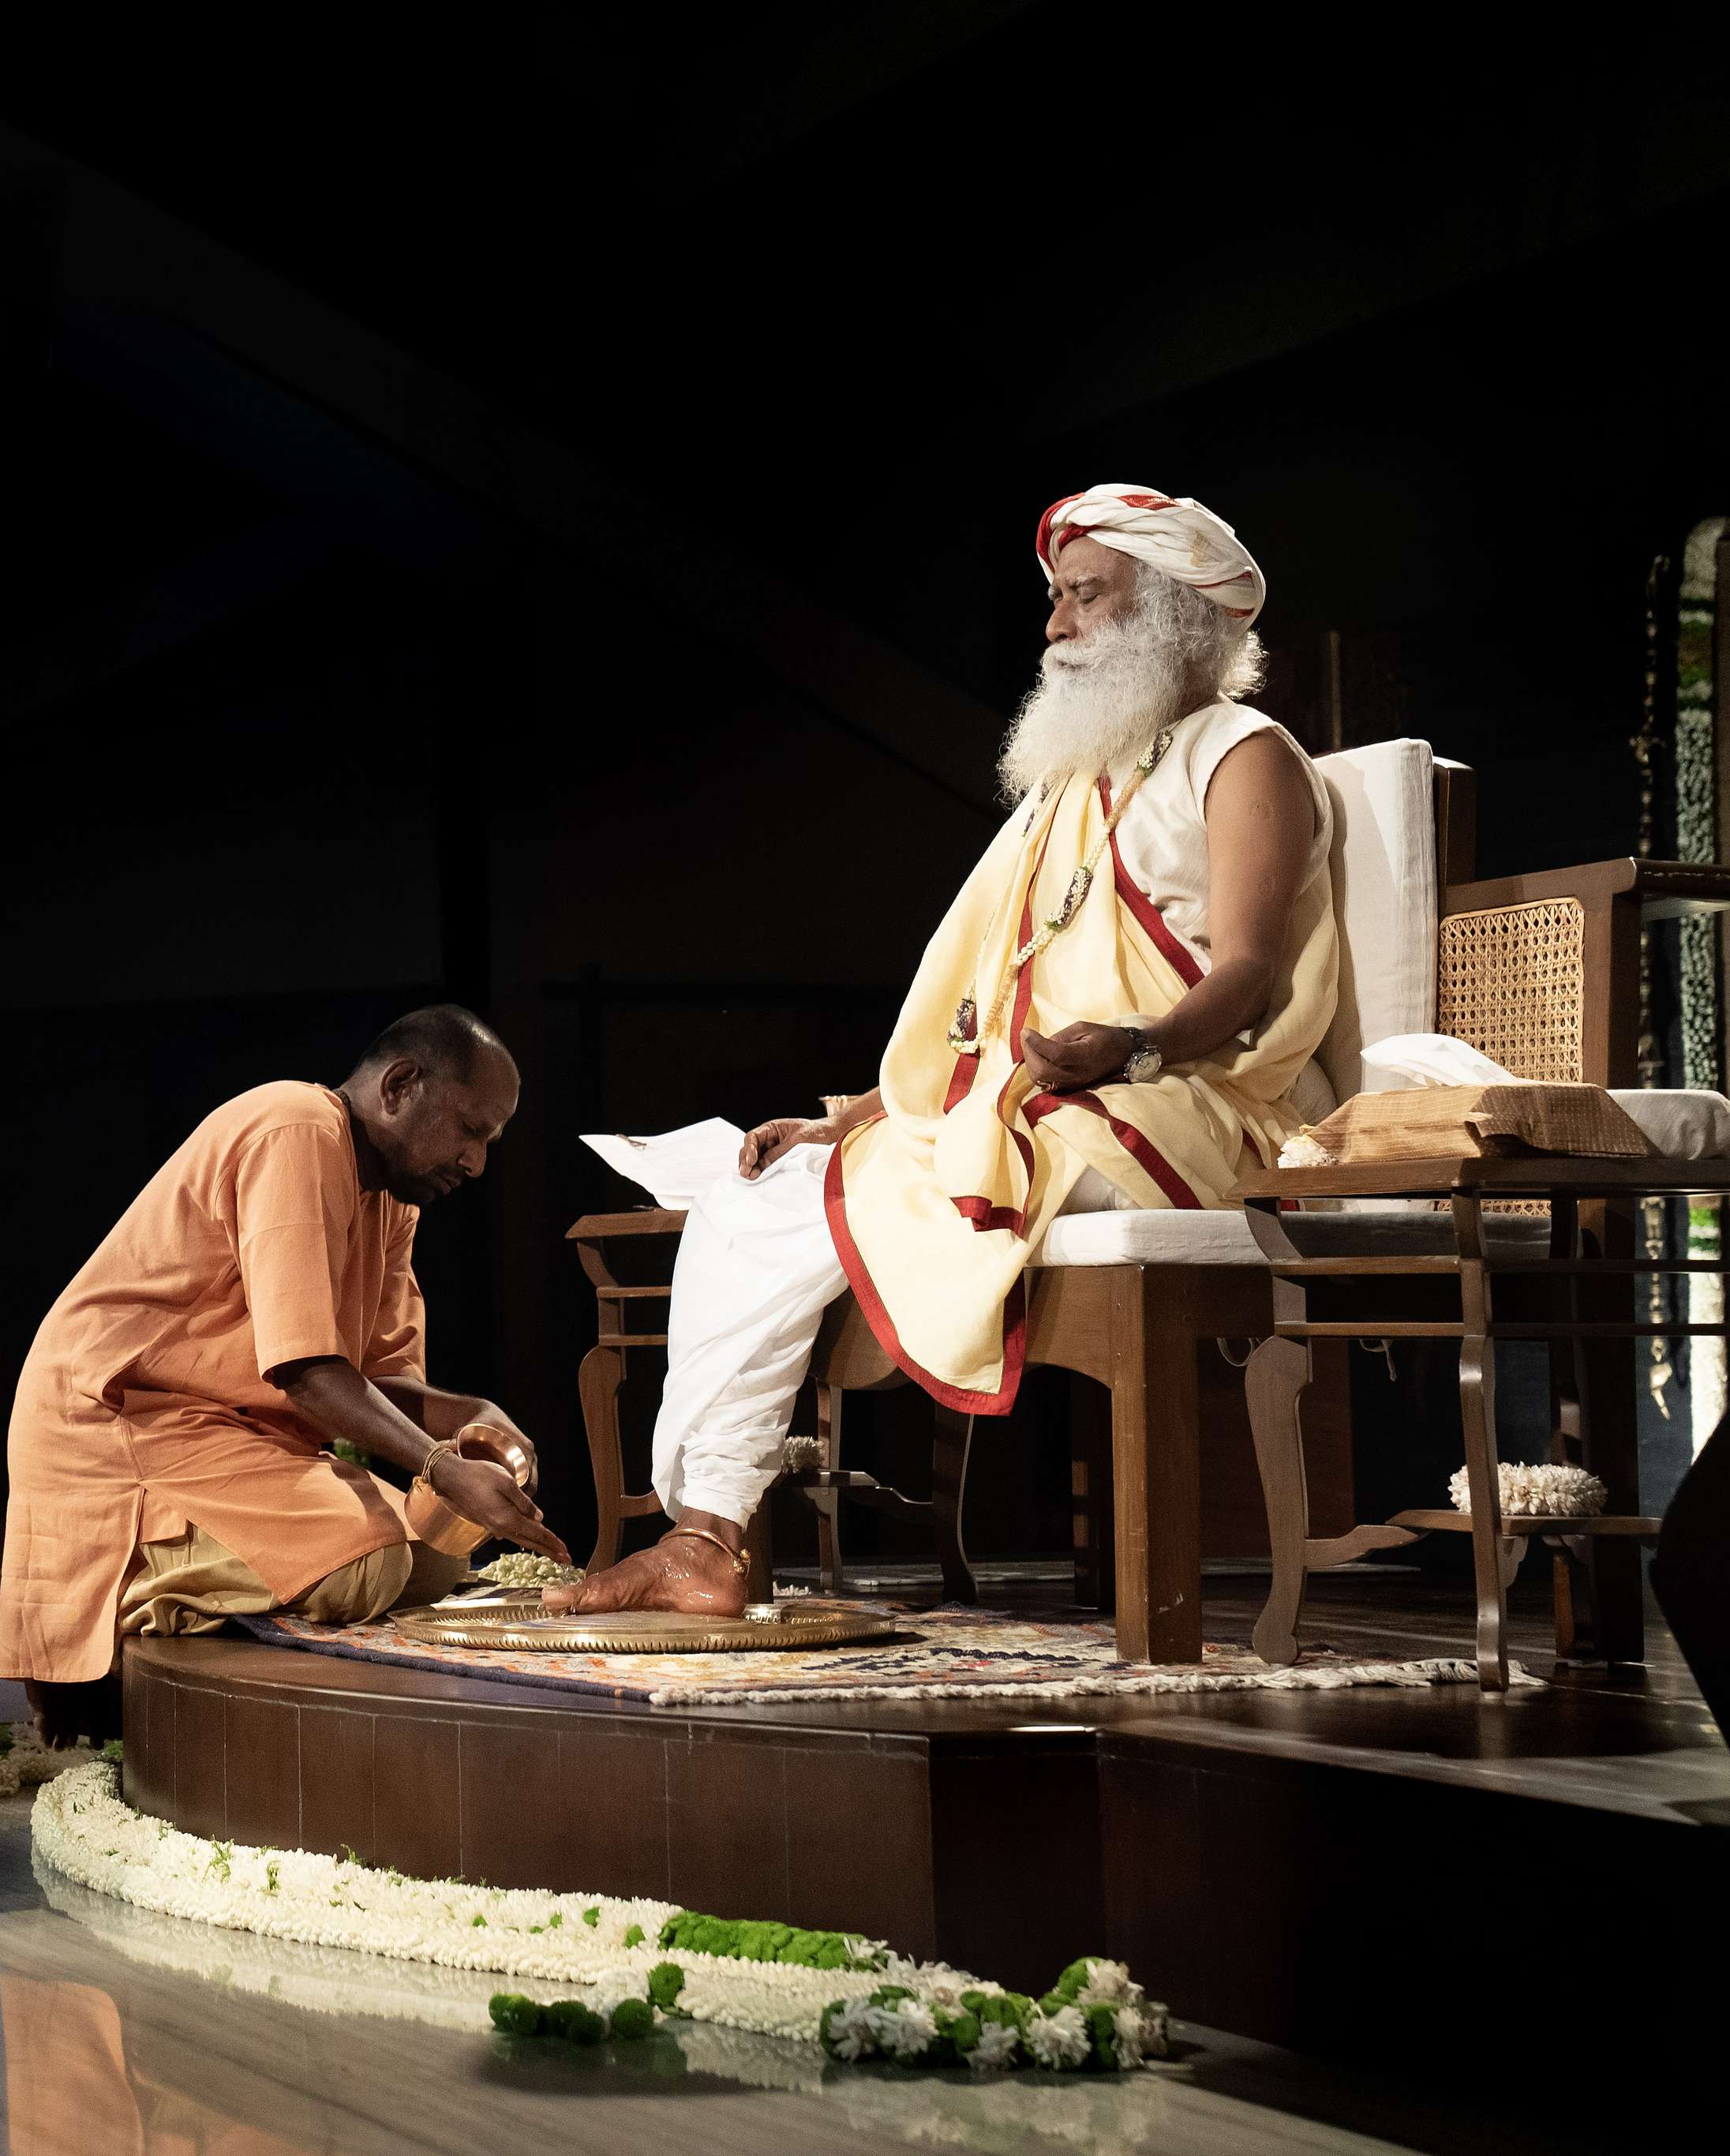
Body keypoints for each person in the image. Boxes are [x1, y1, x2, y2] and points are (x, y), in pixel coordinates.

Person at [553, 485, 1334, 1618]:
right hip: (1058, 1096)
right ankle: (704, 1535)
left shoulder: (1242, 752)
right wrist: (854, 1117)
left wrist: (1134, 1046)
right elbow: (989, 1014)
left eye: (1084, 596)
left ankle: (703, 1538)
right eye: (1056, 599)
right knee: (761, 1189)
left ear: (1172, 613)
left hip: (1182, 1100)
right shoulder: (1076, 780)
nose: (1054, 627)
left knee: (792, 1205)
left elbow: (1250, 972)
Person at [0, 1006, 568, 1742]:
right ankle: (115, 1595)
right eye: (470, 1129)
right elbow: (306, 1371)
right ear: (399, 1085)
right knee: (370, 1562)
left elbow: (371, 1379)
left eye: (490, 1141)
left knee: (433, 1557)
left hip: (232, 1441)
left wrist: (472, 1415)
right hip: (124, 1428)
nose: (477, 1162)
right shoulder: (296, 1127)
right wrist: (440, 1467)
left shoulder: (395, 1200)